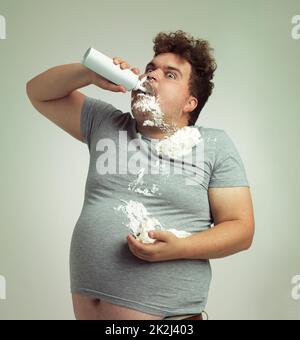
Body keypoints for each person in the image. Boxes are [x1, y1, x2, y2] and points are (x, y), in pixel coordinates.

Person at [26, 30, 255, 320]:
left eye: (170, 75)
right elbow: (38, 93)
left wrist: (180, 248)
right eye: (151, 68)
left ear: (190, 103)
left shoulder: (212, 145)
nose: (152, 76)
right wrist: (89, 73)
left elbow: (241, 229)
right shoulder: (105, 123)